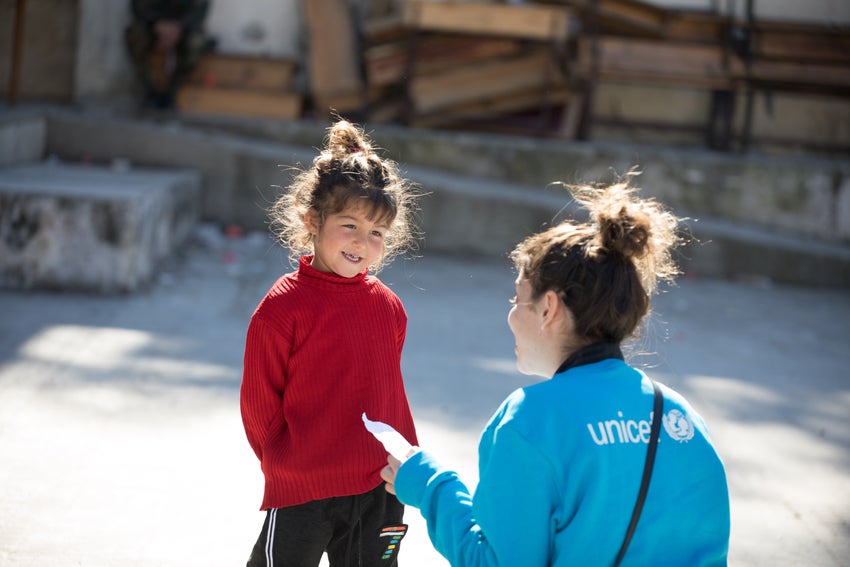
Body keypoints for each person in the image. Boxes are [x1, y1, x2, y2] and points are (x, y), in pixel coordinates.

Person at [381, 175, 731, 566]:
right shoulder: (682, 416)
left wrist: (430, 484)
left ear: (549, 309)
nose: (511, 314)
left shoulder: (530, 418)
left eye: (517, 298)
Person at [240, 118, 422, 567]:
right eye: (350, 225)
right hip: (304, 489)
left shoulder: (389, 307)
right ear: (312, 221)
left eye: (377, 233)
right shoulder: (282, 308)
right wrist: (288, 465)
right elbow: (259, 406)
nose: (363, 242)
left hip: (378, 488)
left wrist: (408, 463)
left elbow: (388, 396)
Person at [124, 0, 210, 109]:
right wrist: (155, 24)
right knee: (135, 35)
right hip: (153, 26)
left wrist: (179, 28)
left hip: (183, 29)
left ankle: (171, 94)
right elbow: (137, 5)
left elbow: (201, 8)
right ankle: (151, 91)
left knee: (196, 42)